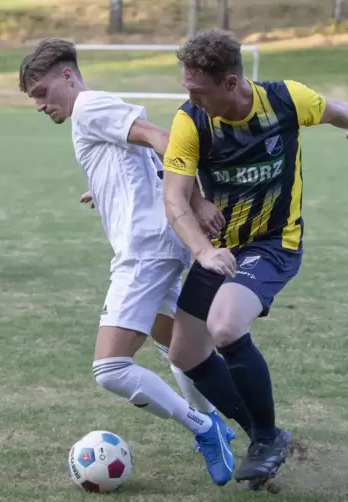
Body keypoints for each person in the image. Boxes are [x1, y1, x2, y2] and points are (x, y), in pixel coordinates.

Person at [18, 37, 237, 486]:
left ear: (67, 77)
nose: (39, 105)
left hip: (146, 250)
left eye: (42, 92)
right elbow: (139, 156)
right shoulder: (94, 113)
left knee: (110, 368)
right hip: (157, 242)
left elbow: (163, 140)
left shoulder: (89, 107)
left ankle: (205, 427)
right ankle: (230, 421)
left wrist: (192, 201)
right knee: (175, 344)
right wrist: (102, 191)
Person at [162, 30, 348, 488]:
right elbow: (175, 198)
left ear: (232, 82)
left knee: (225, 325)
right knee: (185, 353)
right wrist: (204, 250)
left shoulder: (286, 100)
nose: (191, 99)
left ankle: (264, 439)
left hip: (275, 243)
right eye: (187, 89)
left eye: (198, 91)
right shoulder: (191, 122)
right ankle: (269, 434)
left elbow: (343, 113)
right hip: (221, 248)